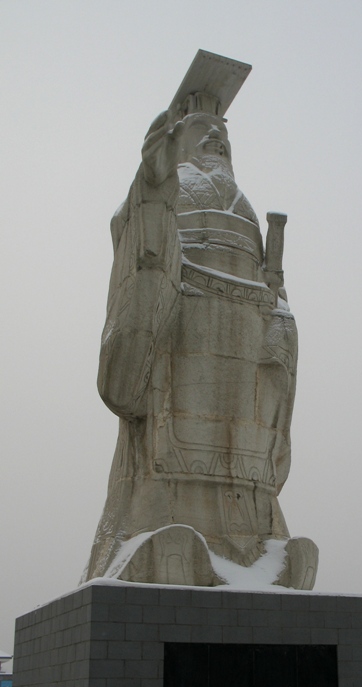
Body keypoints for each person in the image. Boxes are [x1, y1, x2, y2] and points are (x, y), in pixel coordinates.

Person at [82, 53, 318, 590]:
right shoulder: (173, 181)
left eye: (223, 135)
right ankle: (156, 539)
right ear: (182, 142)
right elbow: (141, 239)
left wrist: (276, 316)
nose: (217, 140)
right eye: (204, 132)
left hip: (245, 354)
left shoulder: (243, 202)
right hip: (182, 330)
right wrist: (151, 187)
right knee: (169, 465)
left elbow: (273, 290)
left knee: (246, 460)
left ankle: (257, 552)